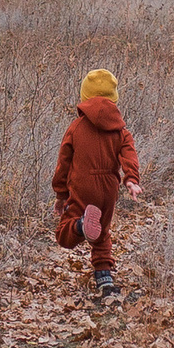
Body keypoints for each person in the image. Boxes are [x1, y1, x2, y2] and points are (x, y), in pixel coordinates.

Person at [53, 64, 142, 301]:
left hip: (84, 185)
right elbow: (129, 155)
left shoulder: (76, 127)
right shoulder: (121, 131)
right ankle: (105, 277)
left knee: (64, 232)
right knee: (102, 231)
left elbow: (64, 162)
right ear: (114, 98)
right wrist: (131, 179)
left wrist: (61, 194)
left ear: (85, 96)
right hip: (109, 189)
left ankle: (81, 226)